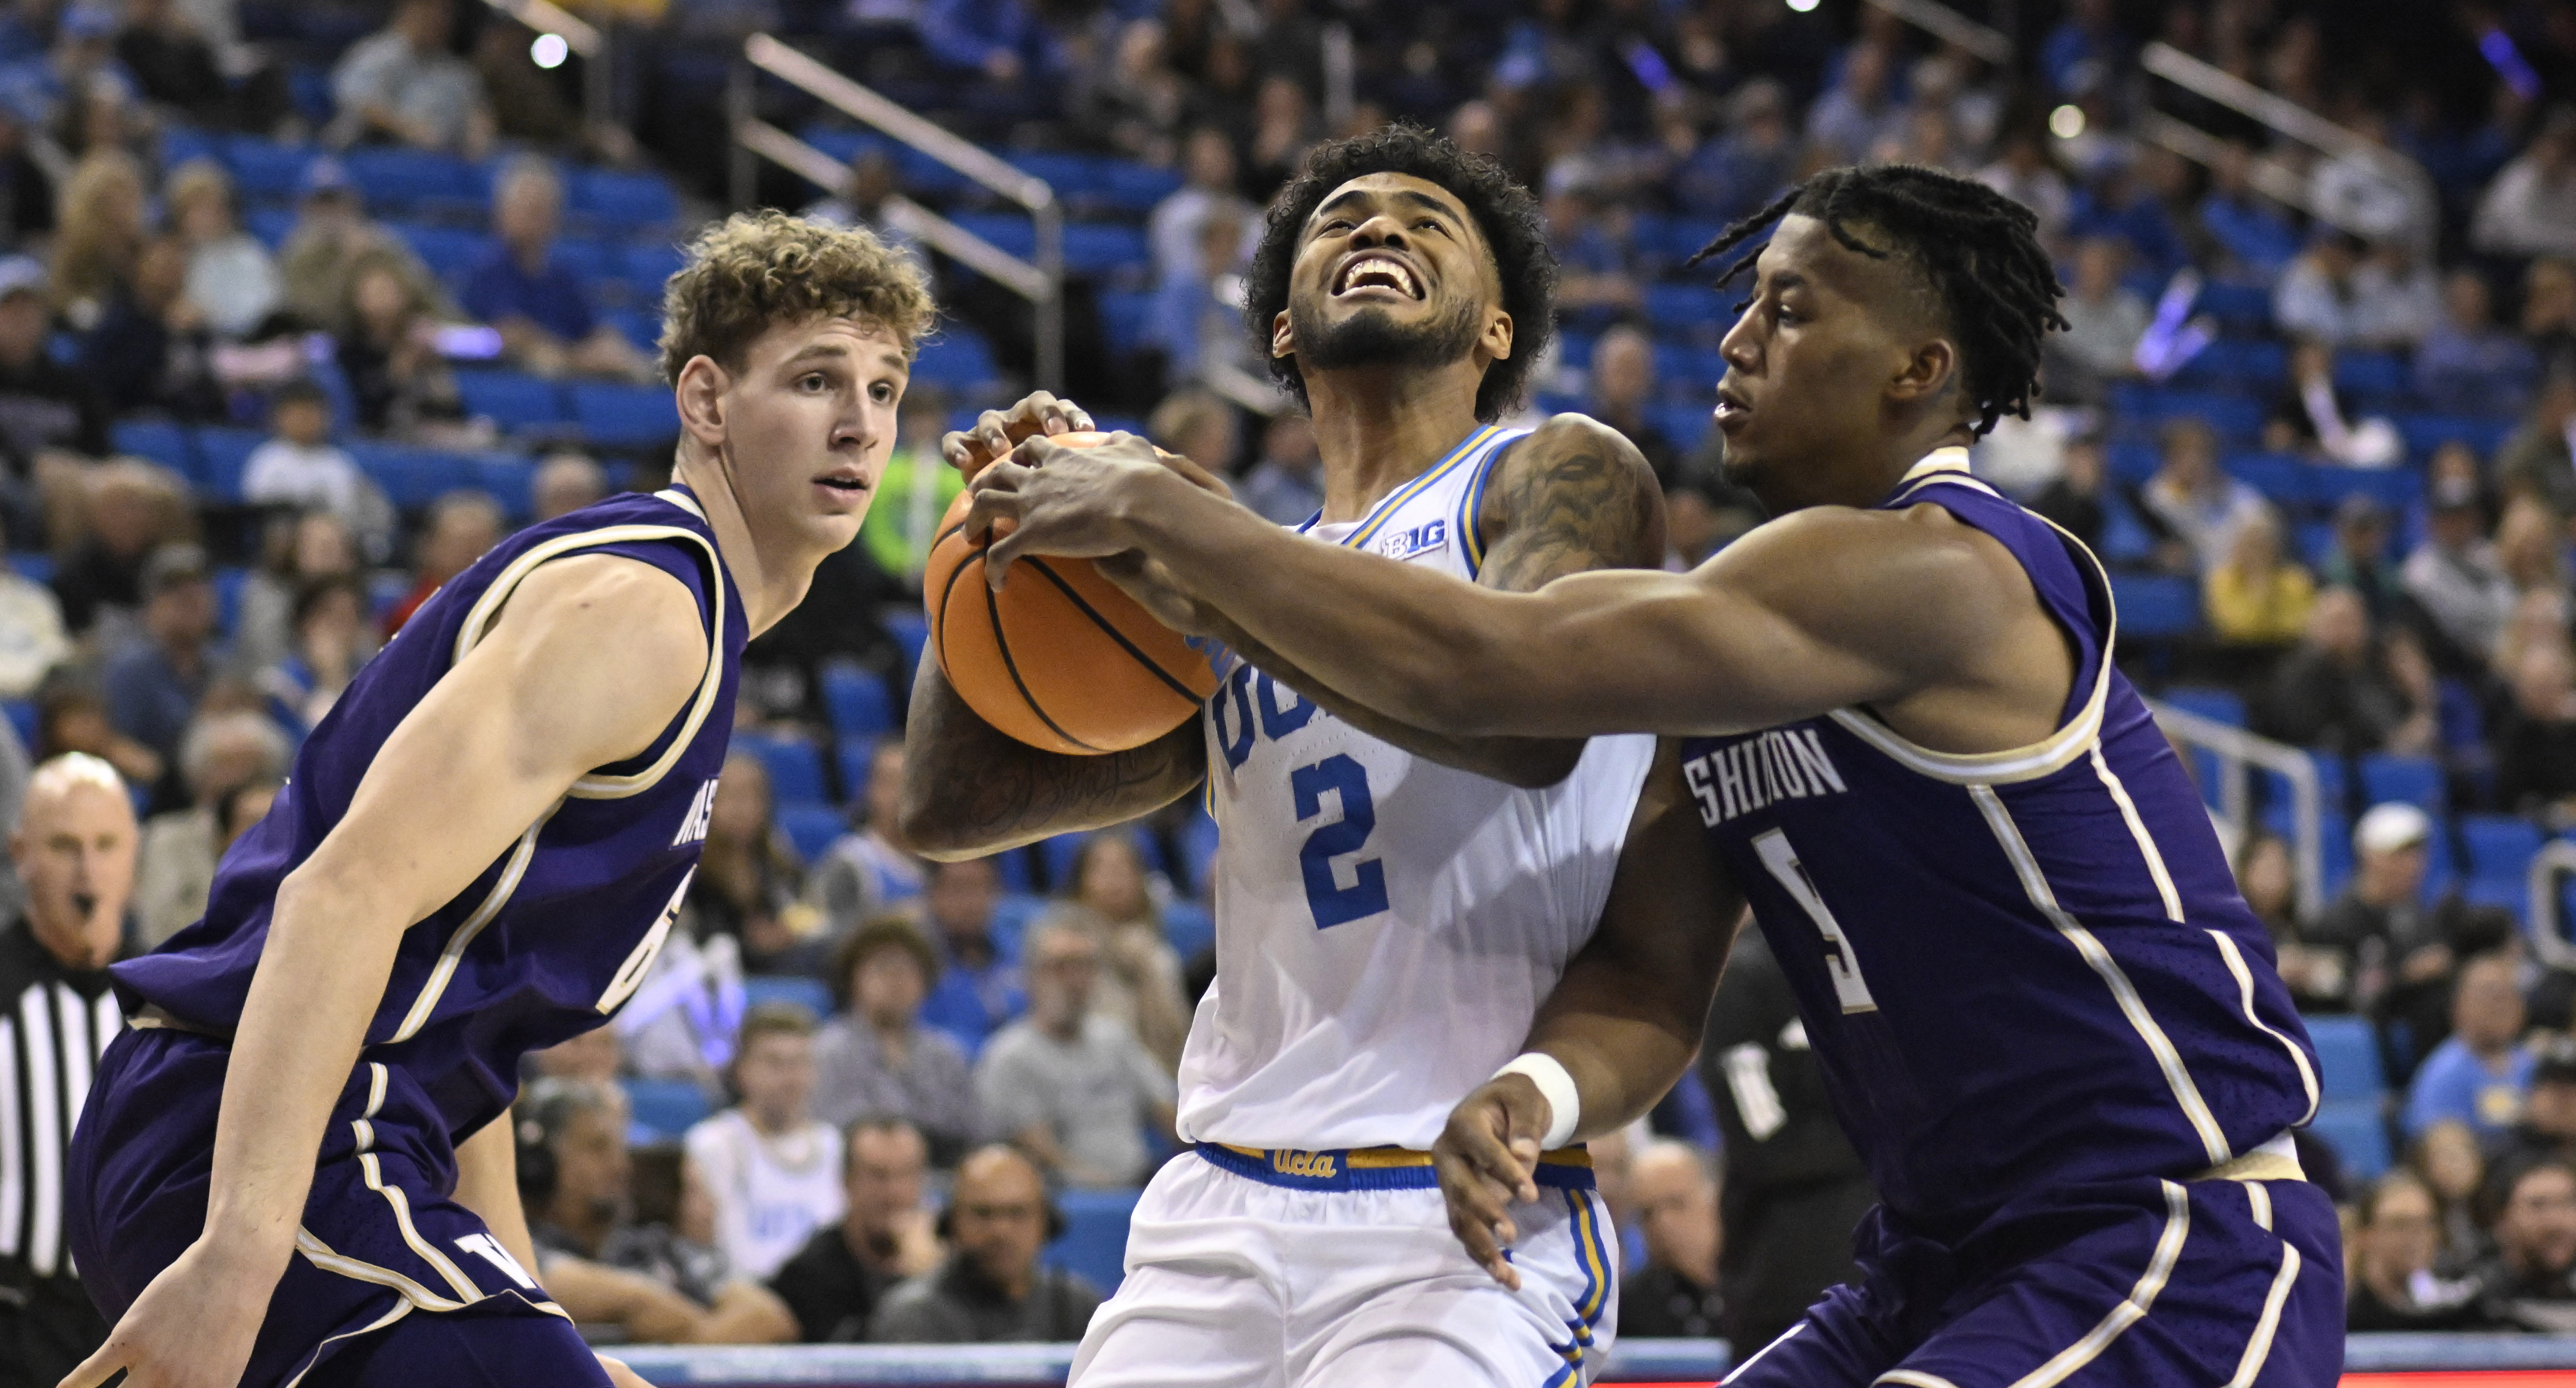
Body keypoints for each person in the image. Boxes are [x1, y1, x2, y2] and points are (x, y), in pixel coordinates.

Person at [970, 162, 2342, 1385]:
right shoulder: (1745, 673)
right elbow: (1645, 974)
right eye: (1751, 305)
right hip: (1936, 1257)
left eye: (1795, 311)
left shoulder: (1937, 569)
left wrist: (1166, 511)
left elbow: (1491, 678)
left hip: (2166, 1234)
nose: (1738, 339)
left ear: (1916, 370)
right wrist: (1535, 1095)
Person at [58, 210, 934, 1388]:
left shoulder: (685, 623)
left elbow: (467, 1035)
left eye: (884, 389)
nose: (858, 424)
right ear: (708, 403)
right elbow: (343, 892)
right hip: (265, 1133)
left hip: (339, 1137)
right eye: (817, 379)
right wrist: (239, 1251)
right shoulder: (645, 612)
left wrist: (528, 1310)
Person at [908, 125, 1724, 1388]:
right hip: (1215, 1214)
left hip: (1461, 1215)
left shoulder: (1553, 474)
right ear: (1282, 331)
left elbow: (1515, 721)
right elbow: (952, 805)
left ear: (1497, 331)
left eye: (1426, 221)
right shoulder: (1215, 588)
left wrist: (1181, 531)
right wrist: (991, 541)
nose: (1378, 227)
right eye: (1340, 218)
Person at [0, 755, 136, 1388]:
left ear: (133, 853)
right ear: (20, 853)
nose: (89, 871)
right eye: (64, 846)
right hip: (16, 1322)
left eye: (106, 845)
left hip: (133, 1324)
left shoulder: (168, 998)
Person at [514, 1078, 798, 1345]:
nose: (620, 1167)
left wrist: (690, 1338)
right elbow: (545, 1284)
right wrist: (641, 1301)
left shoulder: (656, 1248)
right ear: (539, 1166)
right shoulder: (516, 1248)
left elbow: (770, 1316)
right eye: (597, 1148)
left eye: (619, 1149)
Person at [971, 916, 1175, 1190]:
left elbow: (1170, 1114)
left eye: (1085, 966)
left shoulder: (1116, 1038)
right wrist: (1112, 1195)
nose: (1074, 980)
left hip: (1140, 1183)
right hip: (1066, 1198)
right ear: (1030, 976)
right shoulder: (1010, 1055)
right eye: (1060, 967)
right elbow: (1041, 1154)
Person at [867, 1144, 1100, 1343]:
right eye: (983, 1213)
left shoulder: (1077, 1308)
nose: (1000, 1231)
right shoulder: (916, 1316)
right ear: (952, 1224)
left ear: (1045, 1222)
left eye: (1017, 1213)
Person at [684, 1002, 845, 1281]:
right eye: (775, 1063)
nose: (789, 1078)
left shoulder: (834, 1144)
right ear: (743, 1071)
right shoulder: (714, 1143)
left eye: (799, 1064)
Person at [462, 158, 649, 381]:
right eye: (529, 210)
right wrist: (572, 357)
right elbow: (513, 334)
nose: (537, 221)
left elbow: (590, 328)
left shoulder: (562, 275)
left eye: (545, 211)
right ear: (503, 212)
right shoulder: (488, 270)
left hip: (572, 368)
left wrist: (607, 349)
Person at [811, 916, 977, 1163]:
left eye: (909, 969)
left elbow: (970, 1133)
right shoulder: (828, 1051)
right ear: (854, 978)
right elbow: (826, 1132)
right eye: (883, 968)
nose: (897, 979)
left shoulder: (946, 1054)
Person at [767, 1115, 942, 1342]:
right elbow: (861, 1363)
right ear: (846, 1181)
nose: (894, 1193)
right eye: (879, 1176)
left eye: (907, 1174)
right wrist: (920, 1283)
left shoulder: (950, 1259)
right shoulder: (809, 1275)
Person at [131, 710, 287, 948]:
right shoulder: (168, 838)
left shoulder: (291, 831)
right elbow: (159, 931)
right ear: (199, 772)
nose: (241, 776)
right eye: (227, 765)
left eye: (253, 765)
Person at [99, 544, 223, 808]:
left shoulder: (222, 665)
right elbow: (114, 743)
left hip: (219, 789)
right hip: (161, 795)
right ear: (151, 605)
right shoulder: (131, 669)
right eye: (176, 593)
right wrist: (172, 780)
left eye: (199, 589)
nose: (191, 600)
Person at [327, 0, 492, 157]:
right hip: (378, 153)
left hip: (445, 162)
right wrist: (409, 130)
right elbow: (358, 102)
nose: (438, 18)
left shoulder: (457, 72)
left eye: (445, 12)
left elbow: (478, 117)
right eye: (429, 9)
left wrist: (478, 141)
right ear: (408, 10)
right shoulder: (377, 53)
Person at [241, 379, 390, 550]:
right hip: (283, 552)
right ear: (279, 418)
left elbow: (355, 518)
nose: (305, 420)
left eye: (312, 413)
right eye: (297, 413)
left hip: (335, 548)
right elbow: (261, 519)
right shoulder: (266, 461)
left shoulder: (340, 463)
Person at [2404, 952, 2536, 1143]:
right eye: (2488, 995)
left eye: (2508, 995)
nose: (2500, 1006)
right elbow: (2437, 1153)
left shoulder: (2532, 1064)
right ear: (2458, 1006)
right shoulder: (2445, 1075)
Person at [808, 740, 928, 936]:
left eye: (912, 783)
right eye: (890, 782)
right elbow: (820, 933)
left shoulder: (946, 863)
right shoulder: (851, 862)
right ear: (869, 791)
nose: (901, 794)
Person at [911, 856, 1021, 1057]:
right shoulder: (916, 963)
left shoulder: (1016, 951)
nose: (972, 902)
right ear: (933, 894)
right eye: (959, 889)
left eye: (983, 888)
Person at [2345, 1170, 2479, 1330]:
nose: (2415, 1236)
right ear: (2366, 1236)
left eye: (2427, 1223)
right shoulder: (2345, 1322)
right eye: (2400, 1224)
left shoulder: (2448, 1315)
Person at [1618, 1140, 1724, 1338]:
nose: (1662, 1224)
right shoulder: (1629, 1307)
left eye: (1676, 1204)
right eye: (1648, 1213)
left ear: (1715, 1200)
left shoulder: (1756, 1280)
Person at [2465, 1157, 2576, 1330]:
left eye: (2568, 1203)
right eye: (2538, 1206)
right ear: (2501, 1219)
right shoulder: (2471, 1304)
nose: (2556, 1222)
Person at [379, 489, 502, 636]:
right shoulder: (413, 615)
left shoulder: (511, 604)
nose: (472, 554)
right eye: (459, 543)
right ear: (430, 547)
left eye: (483, 543)